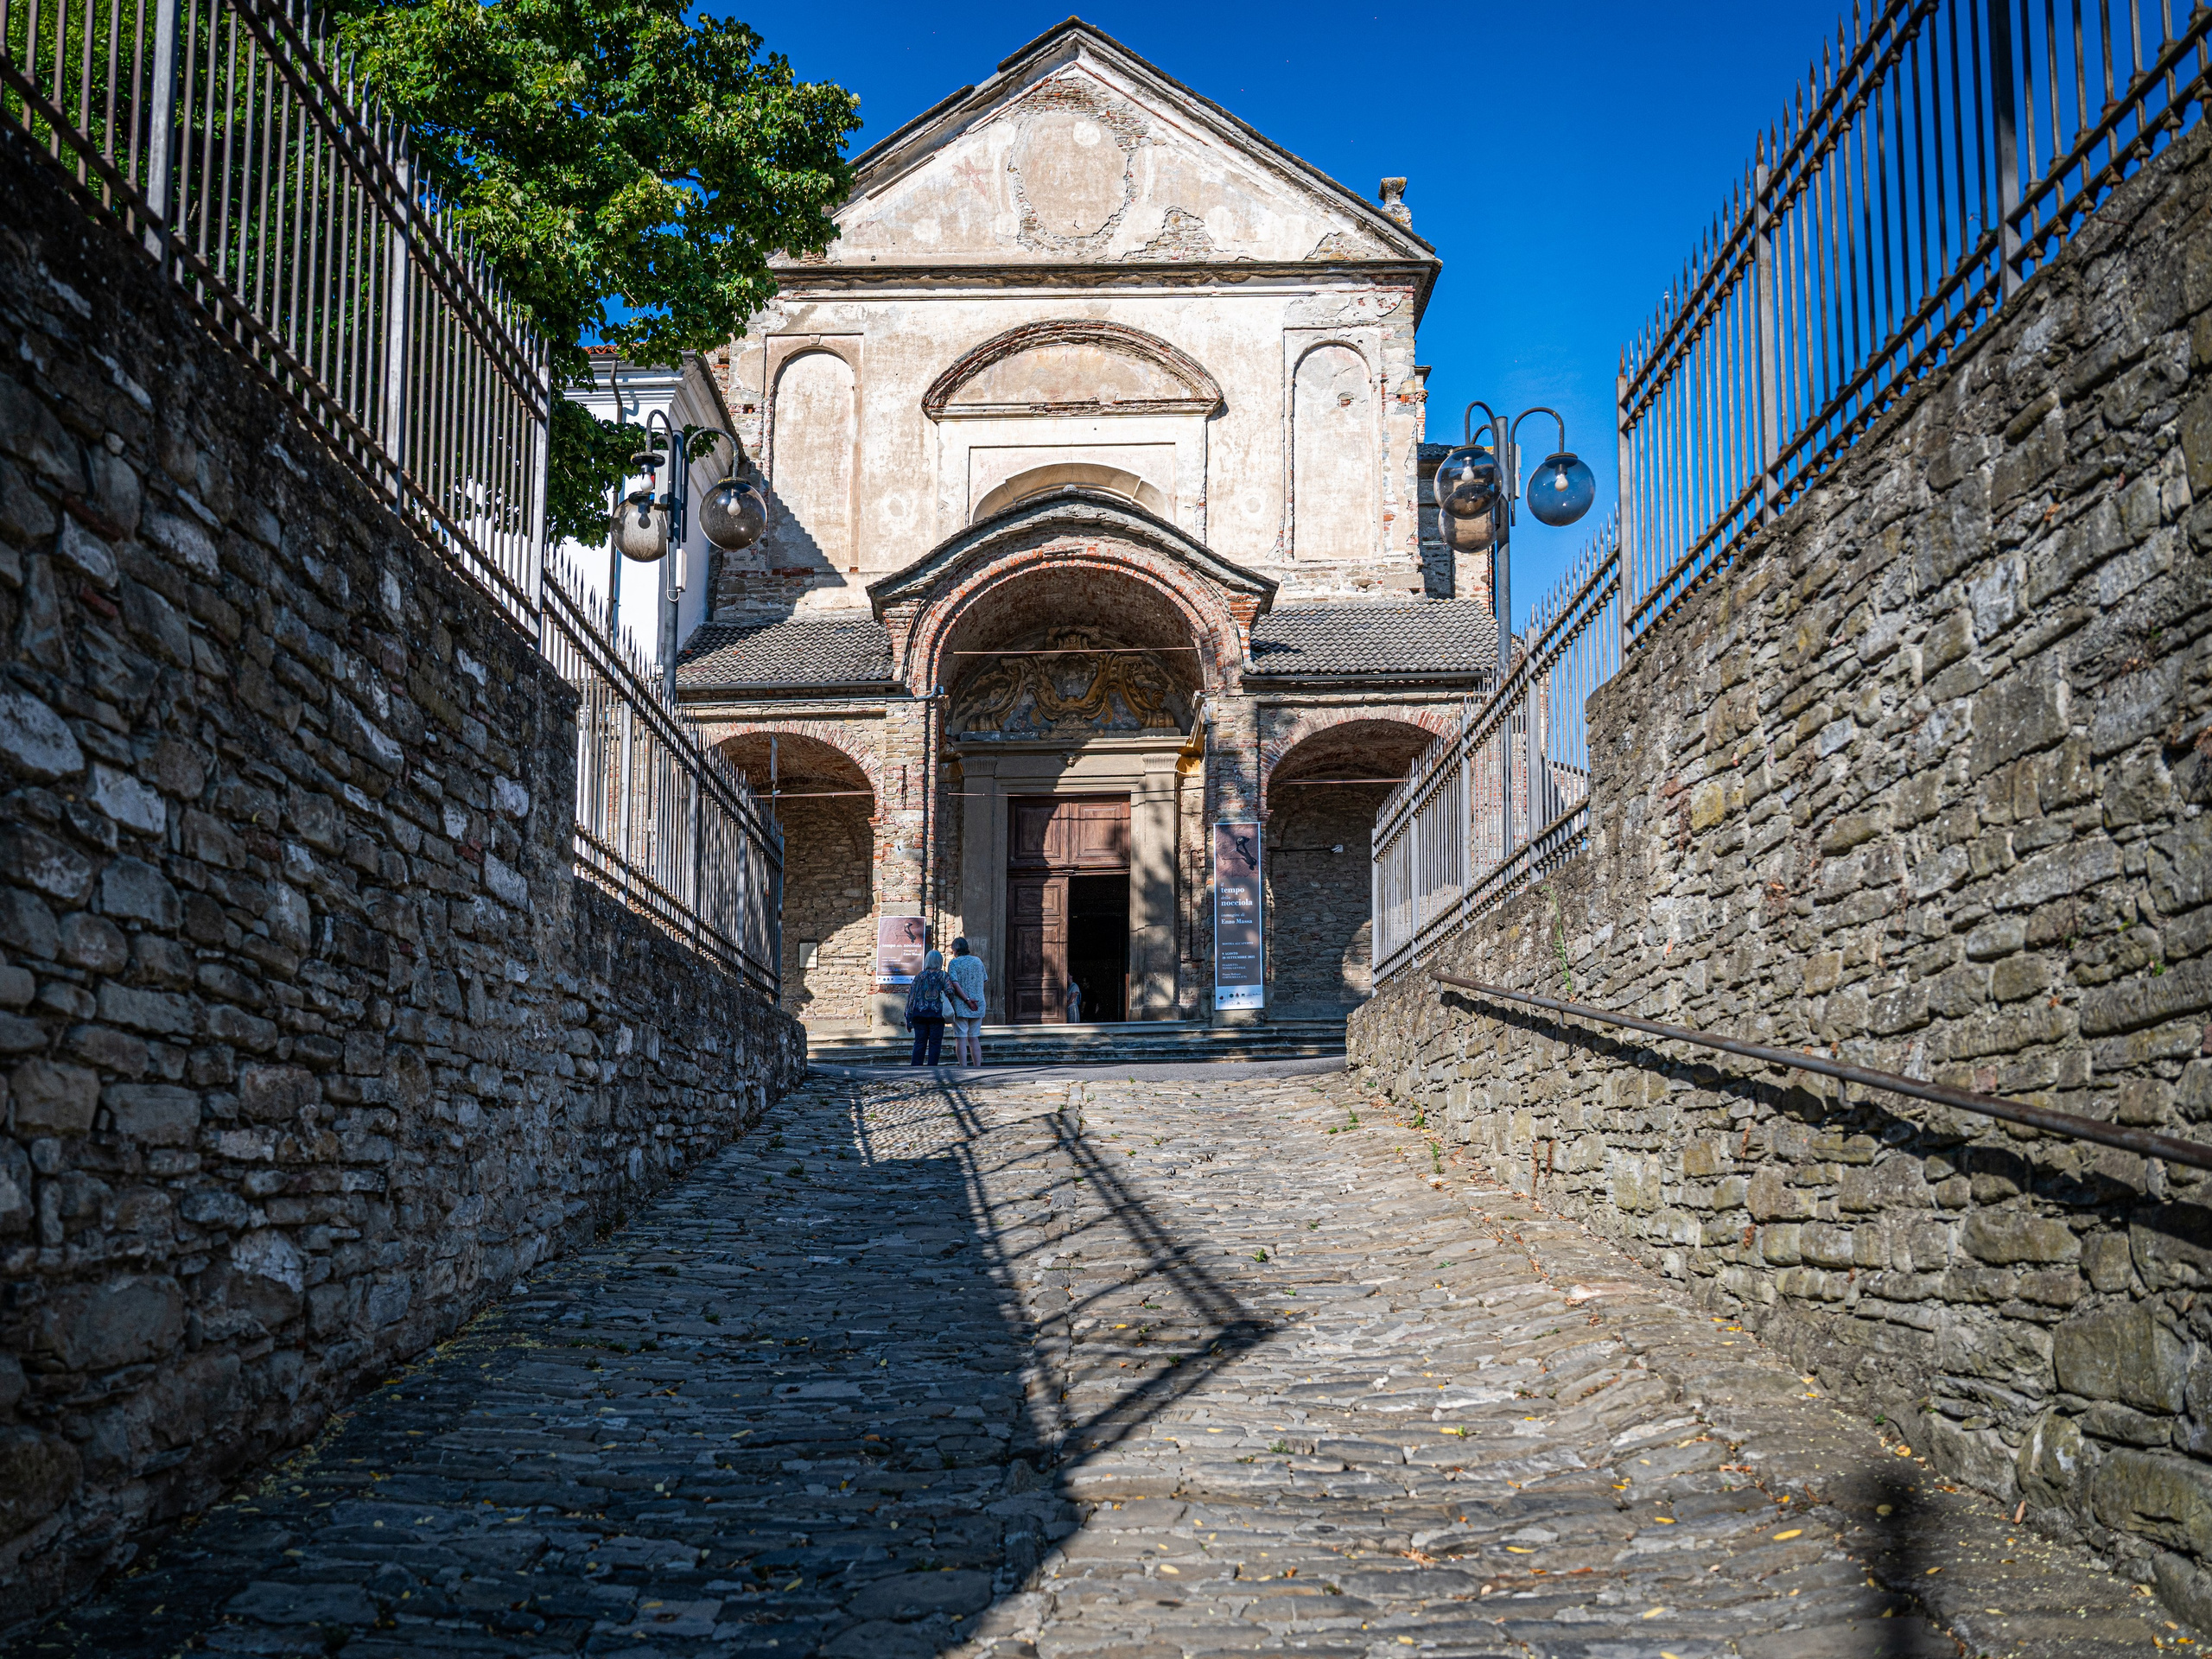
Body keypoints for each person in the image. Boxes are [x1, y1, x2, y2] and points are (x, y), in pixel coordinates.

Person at [905, 949, 951, 1066]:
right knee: (935, 1043)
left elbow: (911, 996)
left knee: (919, 1042)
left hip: (919, 1014)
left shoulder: (919, 976)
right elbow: (950, 991)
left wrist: (908, 1018)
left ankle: (916, 1068)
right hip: (936, 1014)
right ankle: (932, 1069)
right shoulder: (943, 976)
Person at [947, 937, 987, 1067]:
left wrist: (967, 999)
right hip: (978, 1004)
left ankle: (963, 1067)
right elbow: (984, 979)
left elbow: (955, 983)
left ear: (955, 950)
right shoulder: (978, 961)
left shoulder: (954, 963)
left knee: (961, 1037)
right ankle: (977, 1066)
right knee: (974, 1037)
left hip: (961, 1004)